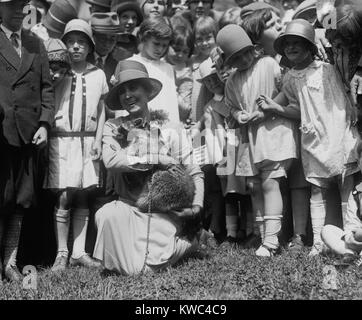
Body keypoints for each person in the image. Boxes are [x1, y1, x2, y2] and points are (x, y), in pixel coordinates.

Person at [257, 19, 361, 256]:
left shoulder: (327, 68)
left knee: (346, 185)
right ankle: (318, 242)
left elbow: (343, 94)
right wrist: (276, 108)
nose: (292, 48)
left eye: (298, 43)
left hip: (337, 131)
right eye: (288, 44)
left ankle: (351, 238)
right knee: (316, 188)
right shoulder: (290, 78)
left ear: (310, 46)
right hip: (313, 137)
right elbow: (298, 109)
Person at [93, 60, 204, 275]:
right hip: (127, 207)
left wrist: (196, 207)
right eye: (122, 91)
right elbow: (111, 161)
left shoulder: (169, 127)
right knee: (105, 215)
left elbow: (195, 171)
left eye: (133, 88)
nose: (128, 95)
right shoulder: (113, 127)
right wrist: (157, 158)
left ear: (147, 91)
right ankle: (159, 250)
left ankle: (187, 243)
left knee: (144, 269)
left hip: (161, 211)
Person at [217, 24, 298, 257]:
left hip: (273, 132)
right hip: (249, 139)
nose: (243, 59)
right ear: (229, 61)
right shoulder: (232, 80)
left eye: (245, 53)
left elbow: (287, 90)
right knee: (254, 187)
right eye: (236, 57)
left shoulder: (269, 64)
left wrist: (267, 111)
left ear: (254, 49)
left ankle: (272, 241)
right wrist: (238, 115)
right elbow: (231, 106)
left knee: (271, 183)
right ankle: (263, 236)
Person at [43, 19, 107, 271]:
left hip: (88, 141)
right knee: (64, 195)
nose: (76, 47)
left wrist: (99, 140)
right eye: (70, 42)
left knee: (83, 193)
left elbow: (102, 109)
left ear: (90, 47)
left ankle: (79, 252)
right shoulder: (57, 71)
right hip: (62, 141)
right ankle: (61, 252)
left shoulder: (98, 73)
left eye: (82, 42)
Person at [0, 0, 54, 282]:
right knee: (2, 198)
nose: (18, 11)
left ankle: (10, 263)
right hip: (2, 134)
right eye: (10, 6)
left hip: (29, 135)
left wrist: (44, 123)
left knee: (21, 200)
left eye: (22, 5)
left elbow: (47, 88)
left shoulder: (35, 43)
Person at [120, 16, 180, 124]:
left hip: (167, 132)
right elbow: (124, 103)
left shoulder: (168, 68)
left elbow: (172, 105)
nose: (160, 49)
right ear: (144, 38)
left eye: (164, 45)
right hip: (139, 130)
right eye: (156, 43)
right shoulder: (129, 64)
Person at [165, 16, 194, 123]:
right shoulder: (159, 63)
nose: (180, 55)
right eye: (176, 49)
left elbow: (185, 108)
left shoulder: (186, 73)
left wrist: (170, 89)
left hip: (177, 121)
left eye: (185, 51)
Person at [190, 16, 218, 123]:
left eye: (208, 38)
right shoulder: (192, 61)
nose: (204, 43)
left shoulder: (218, 60)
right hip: (193, 118)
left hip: (212, 118)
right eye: (199, 39)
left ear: (215, 36)